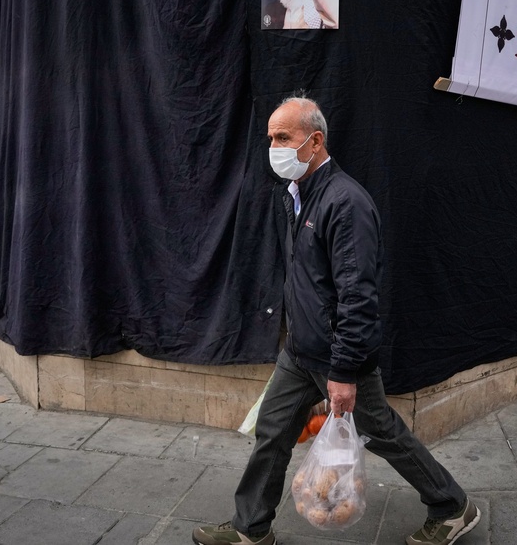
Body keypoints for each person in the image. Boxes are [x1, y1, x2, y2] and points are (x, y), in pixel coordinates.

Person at [193, 97, 480, 545]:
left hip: (338, 357)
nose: (273, 146)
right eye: (270, 138)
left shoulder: (345, 203)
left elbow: (358, 296)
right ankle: (251, 529)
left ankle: (452, 507)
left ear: (315, 140)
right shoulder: (296, 195)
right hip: (300, 353)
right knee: (271, 434)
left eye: (283, 137)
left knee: (383, 433)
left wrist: (344, 372)